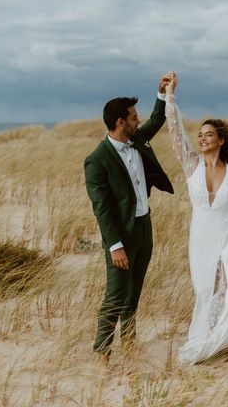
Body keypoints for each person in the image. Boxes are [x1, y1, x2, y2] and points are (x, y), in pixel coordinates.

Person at [162, 71, 228, 364]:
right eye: (200, 135)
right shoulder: (190, 163)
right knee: (206, 288)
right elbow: (175, 133)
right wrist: (171, 96)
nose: (203, 139)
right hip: (202, 237)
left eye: (209, 135)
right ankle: (214, 335)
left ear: (220, 140)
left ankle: (226, 338)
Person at [84, 76, 173, 361]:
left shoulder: (136, 139)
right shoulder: (97, 160)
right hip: (122, 236)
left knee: (133, 295)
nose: (139, 121)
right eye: (134, 117)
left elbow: (156, 122)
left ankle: (130, 346)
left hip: (144, 228)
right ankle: (102, 353)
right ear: (120, 122)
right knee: (115, 296)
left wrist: (161, 95)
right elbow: (102, 208)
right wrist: (115, 245)